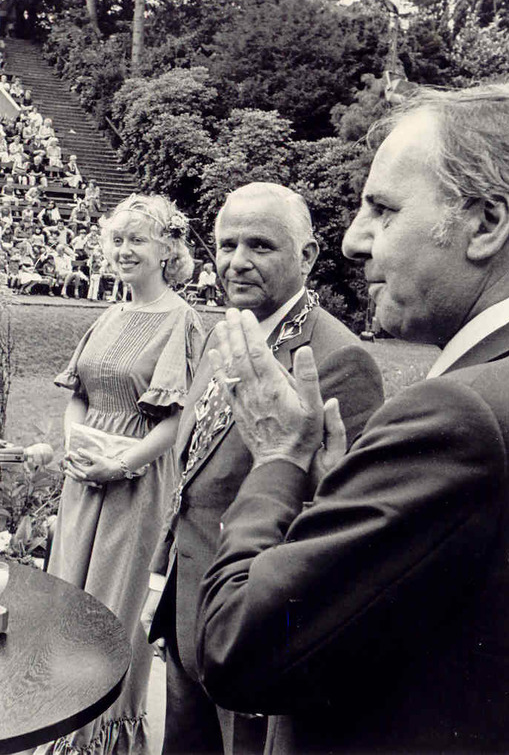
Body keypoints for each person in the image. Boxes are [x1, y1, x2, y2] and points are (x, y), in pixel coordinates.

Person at [194, 83, 509, 754]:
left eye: (383, 209)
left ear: (487, 222)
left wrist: (279, 460)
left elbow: (236, 645)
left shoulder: (459, 414)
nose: (353, 240)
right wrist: (340, 495)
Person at [143, 183, 385, 755]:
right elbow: (194, 476)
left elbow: (339, 523)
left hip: (258, 635)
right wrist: (162, 583)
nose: (237, 261)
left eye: (260, 245)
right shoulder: (226, 335)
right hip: (188, 621)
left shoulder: (337, 360)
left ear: (308, 256)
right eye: (227, 245)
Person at [41, 194, 205, 755]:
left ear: (167, 250)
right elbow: (79, 395)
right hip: (85, 475)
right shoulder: (109, 315)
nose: (124, 249)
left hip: (134, 481)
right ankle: (61, 722)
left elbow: (176, 421)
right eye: (116, 239)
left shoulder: (182, 321)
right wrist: (74, 445)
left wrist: (119, 464)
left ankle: (100, 739)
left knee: (113, 605)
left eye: (137, 239)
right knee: (69, 592)